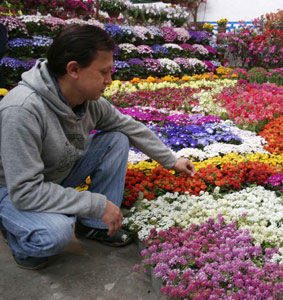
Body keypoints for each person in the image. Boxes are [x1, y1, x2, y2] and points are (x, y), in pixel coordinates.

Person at [0, 24, 195, 270]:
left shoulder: (90, 103)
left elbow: (129, 126)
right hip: (12, 190)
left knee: (117, 137)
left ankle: (94, 227)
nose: (109, 81)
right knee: (54, 235)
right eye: (103, 72)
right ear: (73, 69)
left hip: (55, 176)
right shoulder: (22, 110)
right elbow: (25, 191)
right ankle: (17, 236)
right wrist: (96, 204)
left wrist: (170, 160)